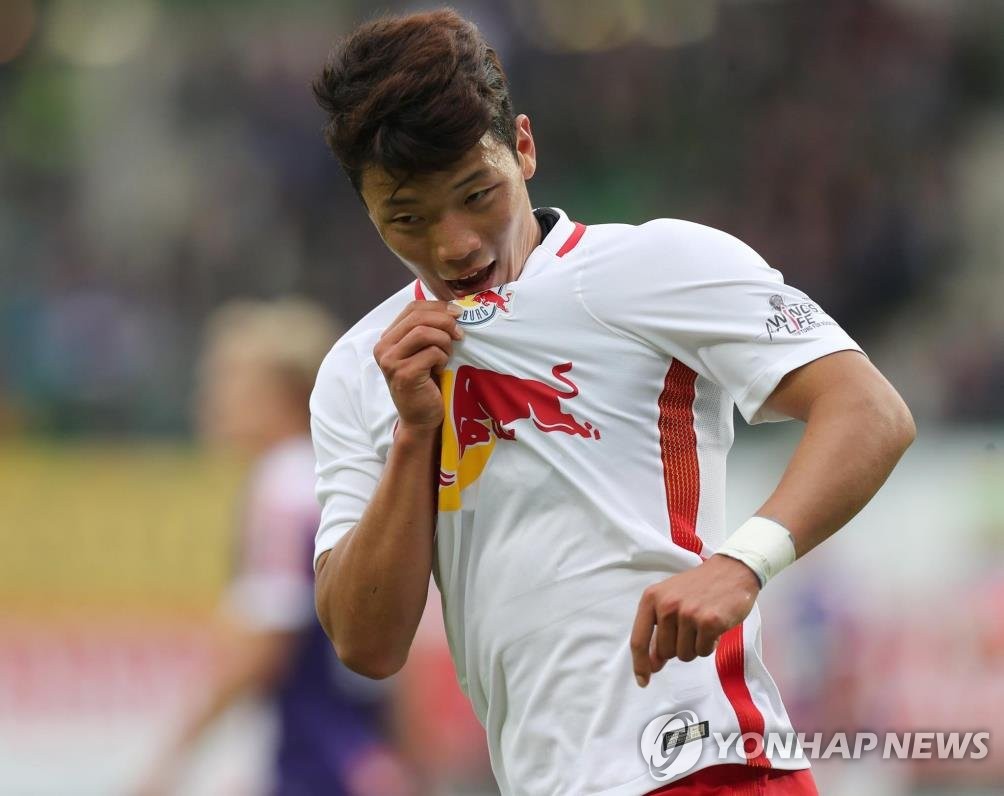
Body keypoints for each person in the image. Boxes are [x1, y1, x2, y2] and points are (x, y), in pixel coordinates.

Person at [309, 9, 916, 796]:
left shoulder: (650, 265)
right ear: (367, 211)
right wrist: (414, 435)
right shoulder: (362, 369)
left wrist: (744, 562)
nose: (454, 244)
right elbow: (367, 644)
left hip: (708, 764)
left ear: (523, 147)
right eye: (408, 220)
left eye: (477, 193)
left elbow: (869, 410)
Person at [137, 299, 413, 796]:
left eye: (228, 380)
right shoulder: (341, 480)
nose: (209, 398)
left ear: (281, 393)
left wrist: (171, 759)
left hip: (315, 764)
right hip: (362, 758)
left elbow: (267, 639)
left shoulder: (282, 487)